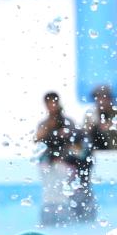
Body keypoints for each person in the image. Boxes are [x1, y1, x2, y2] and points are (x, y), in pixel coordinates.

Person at [35, 92, 83, 225]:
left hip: (64, 164)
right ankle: (48, 220)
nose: (51, 106)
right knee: (49, 195)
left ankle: (65, 219)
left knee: (63, 196)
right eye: (48, 103)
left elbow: (77, 145)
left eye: (53, 102)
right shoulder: (45, 124)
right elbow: (37, 139)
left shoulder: (67, 122)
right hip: (48, 164)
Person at [85, 85, 117, 151]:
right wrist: (92, 127)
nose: (101, 101)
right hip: (97, 151)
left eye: (104, 98)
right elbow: (85, 130)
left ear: (110, 99)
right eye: (98, 98)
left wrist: (110, 126)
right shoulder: (92, 114)